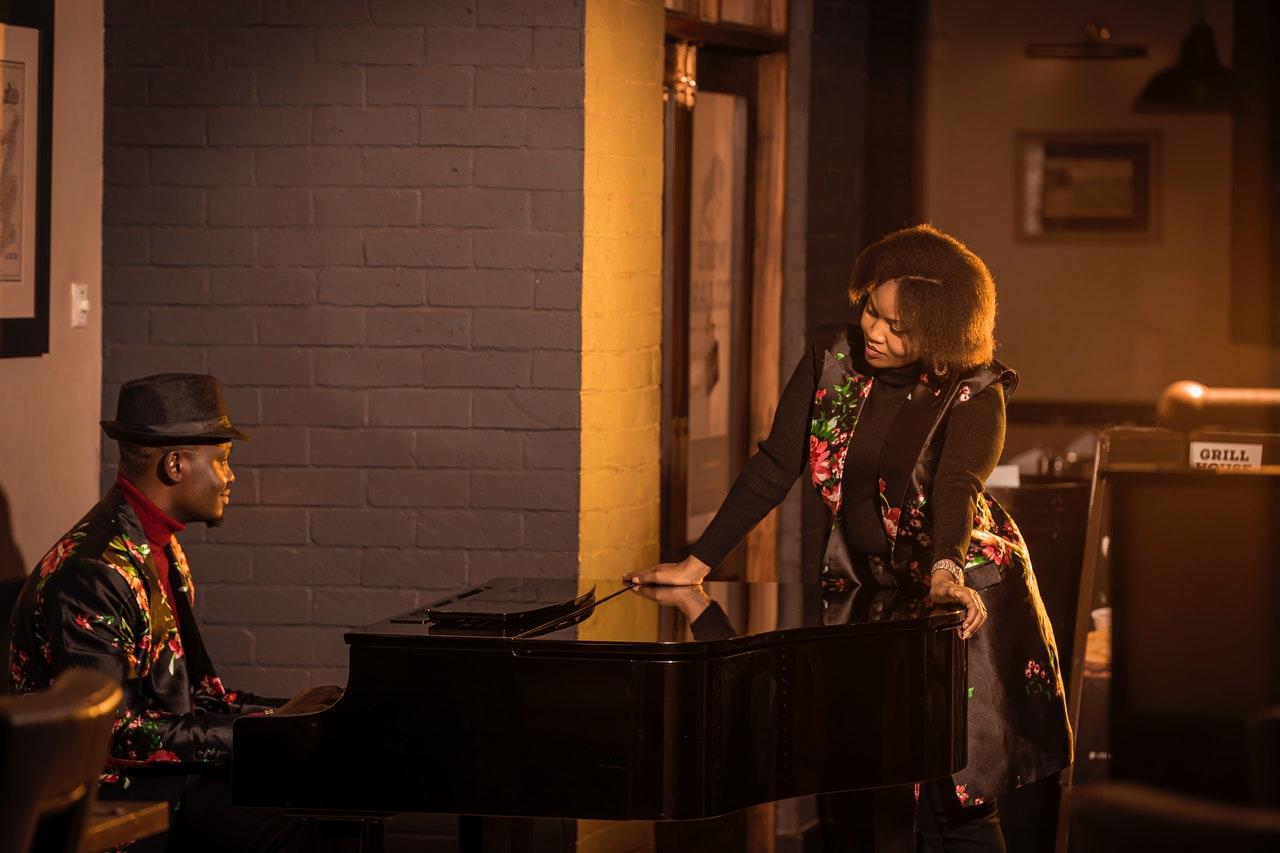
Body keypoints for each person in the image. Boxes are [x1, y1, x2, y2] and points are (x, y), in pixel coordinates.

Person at [628, 225, 1073, 851]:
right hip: (869, 593)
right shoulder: (831, 359)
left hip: (960, 594)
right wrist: (697, 562)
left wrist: (947, 569)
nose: (874, 331)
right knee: (865, 778)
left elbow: (954, 488)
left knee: (956, 797)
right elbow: (775, 466)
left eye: (897, 326)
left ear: (939, 333)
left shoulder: (974, 391)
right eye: (871, 308)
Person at [8, 373, 342, 852]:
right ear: (176, 464)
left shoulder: (161, 548)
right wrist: (260, 733)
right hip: (99, 790)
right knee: (289, 818)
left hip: (153, 773)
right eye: (224, 460)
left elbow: (194, 697)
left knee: (320, 789)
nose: (231, 477)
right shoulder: (93, 572)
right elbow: (113, 734)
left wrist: (287, 717)